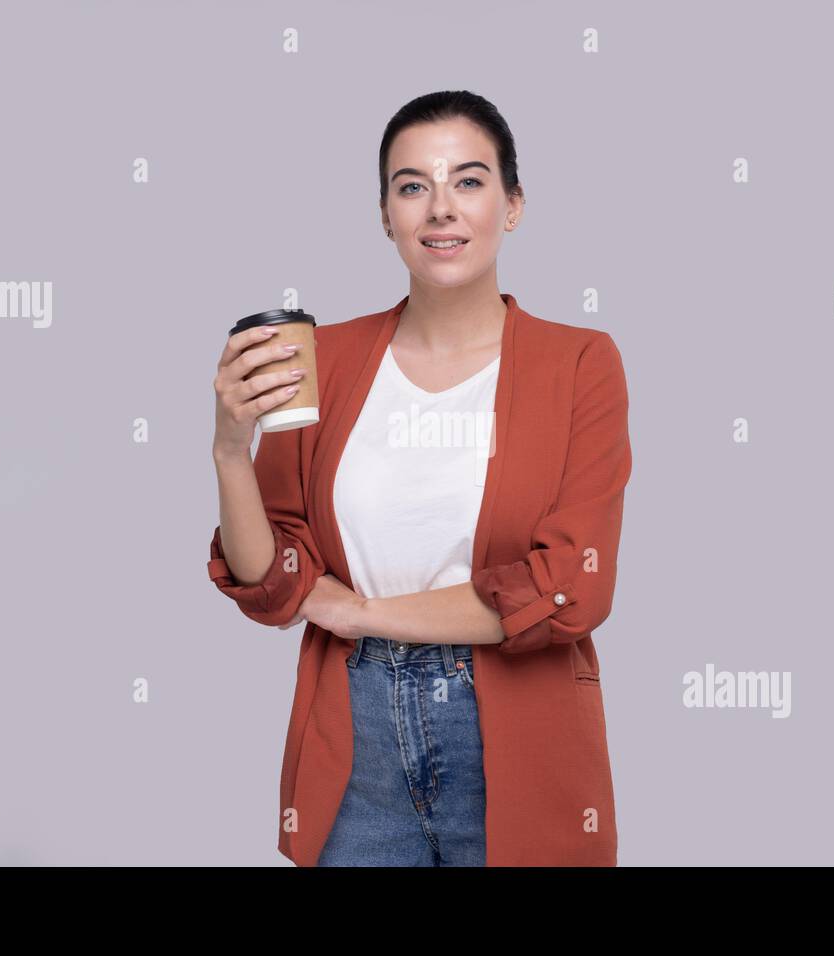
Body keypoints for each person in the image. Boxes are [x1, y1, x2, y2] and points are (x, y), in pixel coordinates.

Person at [210, 90, 631, 866]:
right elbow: (273, 578)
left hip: (515, 735)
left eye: (468, 181)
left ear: (513, 205)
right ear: (386, 215)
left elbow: (572, 588)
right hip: (355, 740)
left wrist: (364, 613)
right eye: (413, 186)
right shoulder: (322, 360)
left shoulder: (580, 363)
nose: (441, 208)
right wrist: (231, 451)